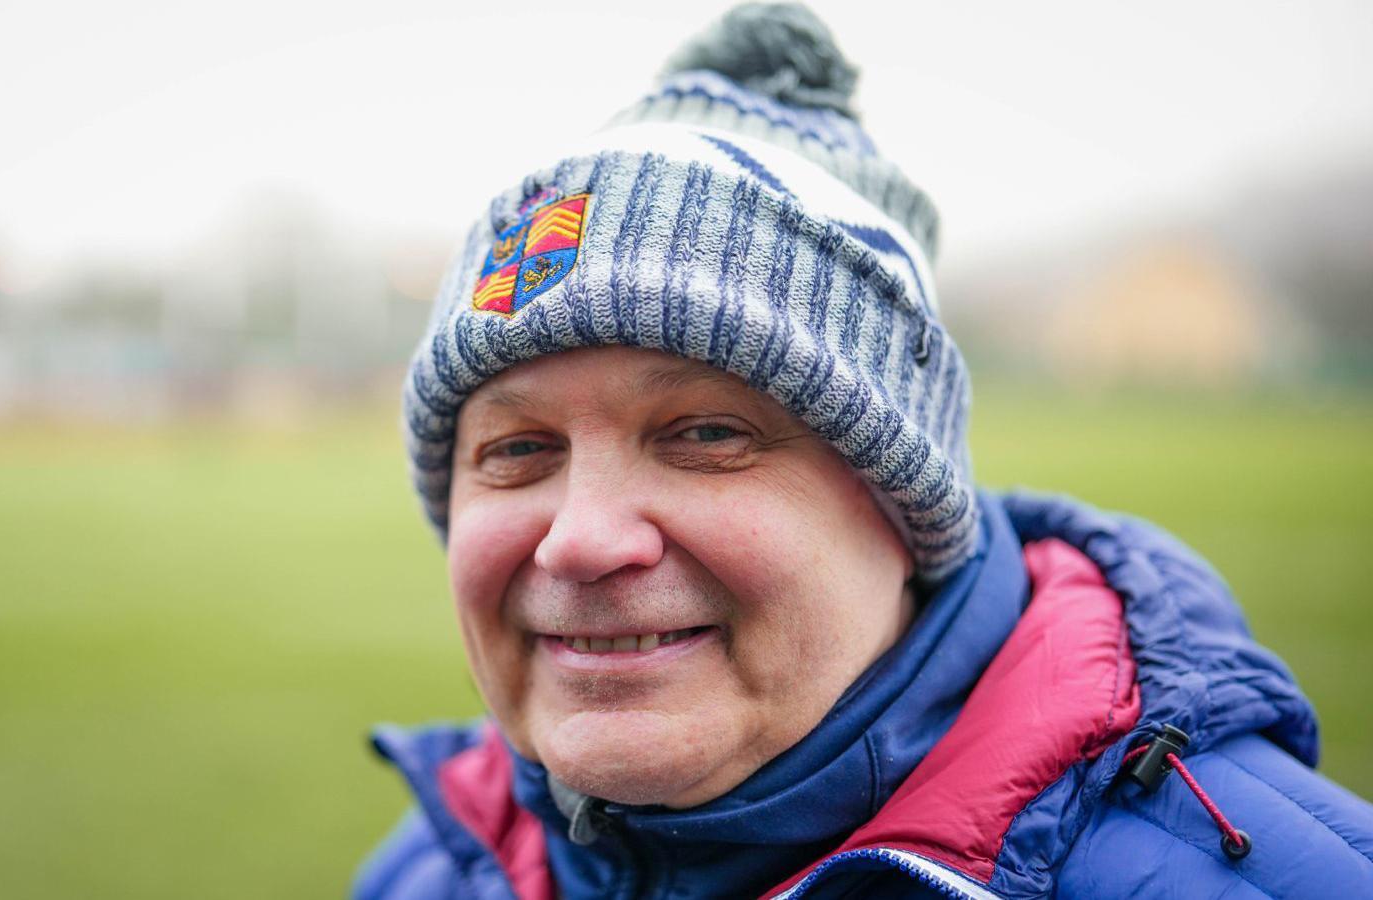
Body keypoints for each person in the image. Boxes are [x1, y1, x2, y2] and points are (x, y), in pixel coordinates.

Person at [355, 4, 1373, 897]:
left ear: (903, 502)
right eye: (518, 448)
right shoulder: (432, 868)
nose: (580, 541)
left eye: (706, 434)